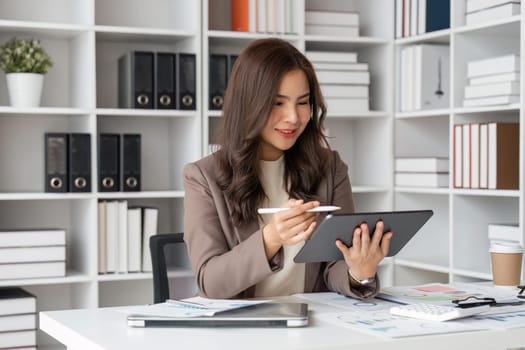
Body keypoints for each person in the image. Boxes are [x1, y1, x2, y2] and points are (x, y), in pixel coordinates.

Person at [183, 38, 392, 300]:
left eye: (303, 102)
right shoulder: (203, 177)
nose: (293, 117)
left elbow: (333, 264)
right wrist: (271, 238)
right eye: (277, 103)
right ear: (249, 103)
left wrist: (359, 272)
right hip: (242, 331)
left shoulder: (330, 168)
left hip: (312, 327)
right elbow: (211, 283)